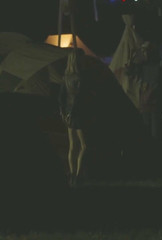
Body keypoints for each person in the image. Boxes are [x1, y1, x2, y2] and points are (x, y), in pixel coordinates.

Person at [58, 49, 88, 187]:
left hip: (68, 115)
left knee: (72, 146)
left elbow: (61, 98)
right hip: (79, 113)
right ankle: (77, 175)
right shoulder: (80, 78)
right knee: (84, 146)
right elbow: (79, 98)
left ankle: (71, 173)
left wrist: (64, 113)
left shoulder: (65, 77)